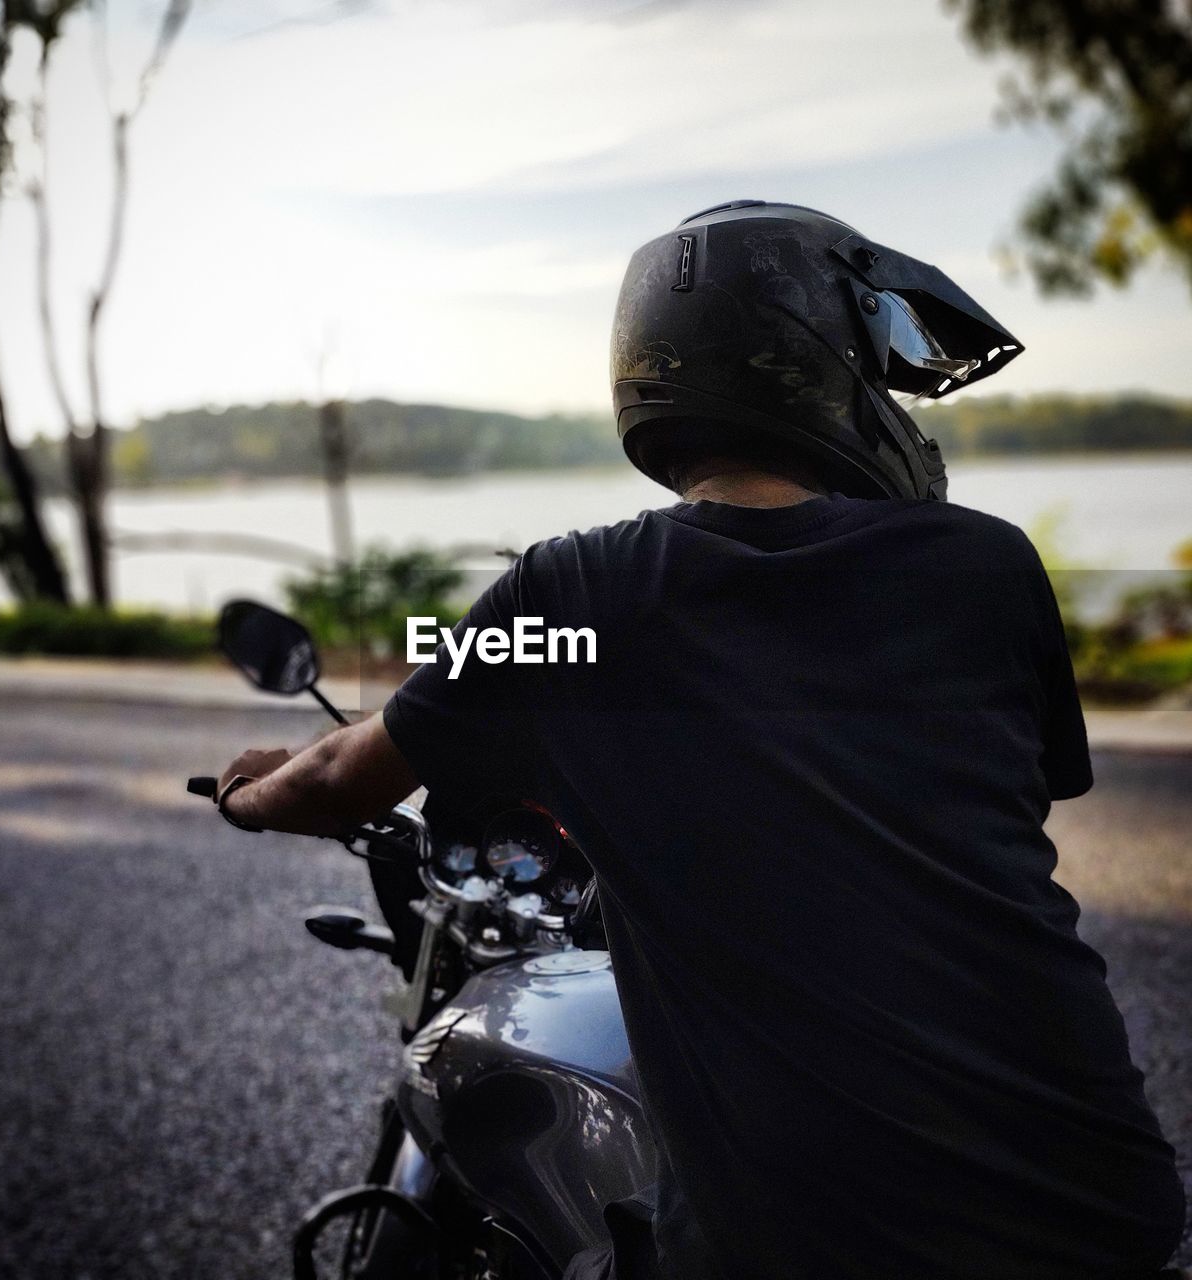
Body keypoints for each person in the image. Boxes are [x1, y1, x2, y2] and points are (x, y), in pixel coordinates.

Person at [216, 202, 1186, 1279]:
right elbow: (983, 796)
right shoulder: (988, 569)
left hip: (809, 1241)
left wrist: (249, 791)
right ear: (818, 360)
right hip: (1094, 1198)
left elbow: (340, 781)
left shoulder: (571, 595)